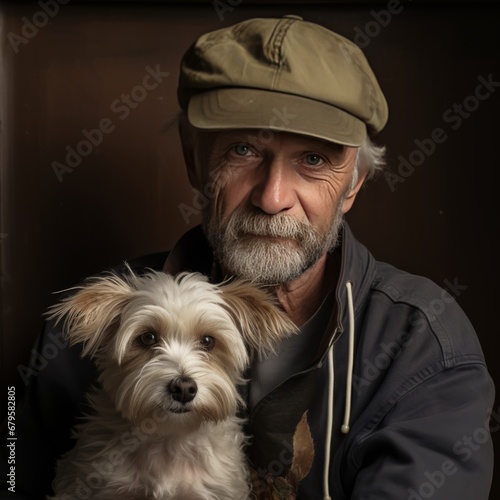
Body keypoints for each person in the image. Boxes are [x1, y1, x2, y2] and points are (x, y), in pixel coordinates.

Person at [1, 15, 494, 500]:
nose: (273, 196)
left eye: (315, 159)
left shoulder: (424, 344)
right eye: (242, 150)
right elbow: (10, 472)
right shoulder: (84, 329)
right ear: (194, 161)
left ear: (353, 184)